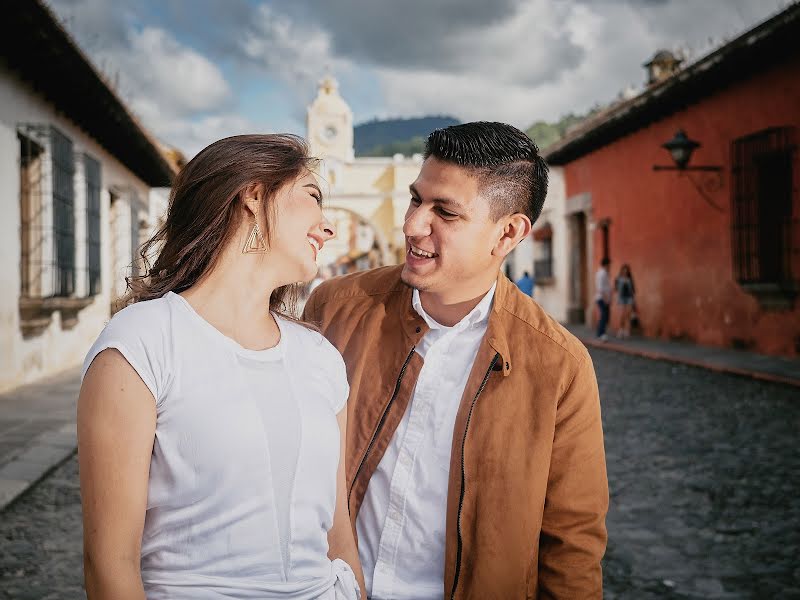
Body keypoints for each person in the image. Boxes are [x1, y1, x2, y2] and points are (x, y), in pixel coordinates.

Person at [304, 122, 608, 599]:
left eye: (444, 212)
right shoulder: (336, 308)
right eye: (415, 200)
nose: (412, 225)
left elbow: (572, 544)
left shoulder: (560, 367)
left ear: (508, 232)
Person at [78, 135, 365, 599]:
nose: (328, 227)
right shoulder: (144, 341)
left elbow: (339, 532)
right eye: (313, 197)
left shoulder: (320, 356)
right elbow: (110, 563)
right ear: (253, 194)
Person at [615, 264, 636, 339]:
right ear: (622, 271)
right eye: (624, 270)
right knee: (622, 315)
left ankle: (627, 331)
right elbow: (616, 289)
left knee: (628, 315)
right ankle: (621, 330)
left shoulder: (630, 279)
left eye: (626, 270)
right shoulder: (618, 279)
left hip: (629, 298)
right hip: (621, 299)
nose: (625, 271)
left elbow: (633, 290)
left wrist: (634, 301)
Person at [594, 257, 612, 341]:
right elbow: (600, 287)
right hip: (602, 298)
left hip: (602, 298)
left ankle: (601, 333)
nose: (610, 266)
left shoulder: (602, 272)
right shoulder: (602, 273)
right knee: (604, 316)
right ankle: (601, 334)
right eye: (609, 264)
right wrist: (606, 299)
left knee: (604, 316)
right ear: (606, 264)